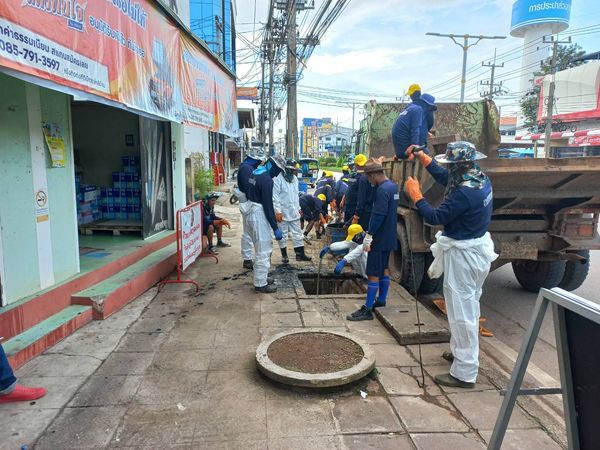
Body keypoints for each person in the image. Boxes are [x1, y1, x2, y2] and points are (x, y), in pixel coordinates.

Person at [405, 141, 498, 389]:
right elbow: (447, 179)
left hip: (465, 257)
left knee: (461, 313)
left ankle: (464, 373)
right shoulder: (478, 178)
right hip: (476, 249)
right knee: (467, 307)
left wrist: (416, 195)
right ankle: (461, 354)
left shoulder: (465, 193)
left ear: (457, 165)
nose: (448, 170)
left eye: (450, 165)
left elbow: (435, 216)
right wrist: (425, 159)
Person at [348, 158, 399, 321]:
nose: (369, 182)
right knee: (384, 268)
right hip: (390, 235)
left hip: (379, 237)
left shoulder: (381, 190)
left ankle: (368, 308)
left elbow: (378, 215)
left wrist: (369, 236)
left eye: (369, 178)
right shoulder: (393, 187)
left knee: (372, 272)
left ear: (373, 175)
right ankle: (381, 300)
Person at [245, 153, 287, 293]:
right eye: (278, 170)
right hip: (258, 215)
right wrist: (275, 227)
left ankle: (261, 277)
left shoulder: (255, 173)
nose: (278, 174)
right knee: (264, 250)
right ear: (272, 165)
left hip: (250, 211)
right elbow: (268, 206)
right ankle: (260, 284)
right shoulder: (267, 180)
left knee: (259, 248)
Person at [273, 159, 312, 264]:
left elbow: (295, 195)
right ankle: (284, 256)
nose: (294, 172)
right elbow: (275, 197)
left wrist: (299, 209)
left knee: (298, 233)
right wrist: (278, 211)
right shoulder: (277, 179)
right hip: (282, 212)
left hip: (294, 211)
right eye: (292, 170)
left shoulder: (295, 179)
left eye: (295, 170)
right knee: (283, 235)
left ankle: (300, 254)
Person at [237, 148, 265, 269]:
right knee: (248, 232)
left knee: (248, 231)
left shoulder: (247, 167)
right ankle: (247, 258)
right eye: (259, 161)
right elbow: (248, 186)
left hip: (248, 201)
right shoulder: (246, 169)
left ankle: (247, 257)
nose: (259, 163)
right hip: (248, 202)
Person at [391, 91, 436, 159]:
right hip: (408, 151)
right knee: (430, 158)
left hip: (400, 151)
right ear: (427, 105)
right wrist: (414, 147)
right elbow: (415, 130)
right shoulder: (418, 110)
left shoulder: (410, 108)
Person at [352, 156, 375, 230]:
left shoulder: (363, 178)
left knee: (360, 232)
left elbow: (361, 199)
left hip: (363, 213)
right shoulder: (371, 177)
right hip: (370, 211)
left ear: (356, 165)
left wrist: (356, 216)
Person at [343, 154, 366, 225]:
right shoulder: (354, 176)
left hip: (354, 208)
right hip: (348, 205)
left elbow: (362, 197)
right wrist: (343, 198)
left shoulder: (363, 178)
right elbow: (349, 188)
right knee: (346, 225)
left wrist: (356, 215)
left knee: (351, 227)